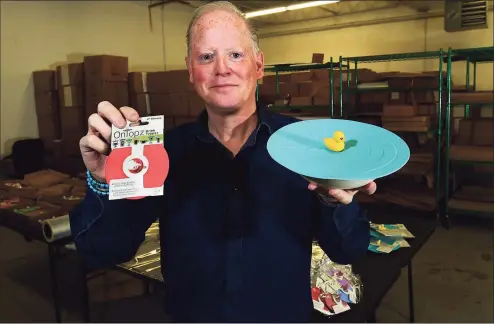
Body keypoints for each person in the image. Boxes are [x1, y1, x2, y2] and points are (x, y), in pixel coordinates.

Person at [70, 1, 376, 322]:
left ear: (258, 66)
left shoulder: (307, 145)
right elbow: (102, 252)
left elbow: (349, 250)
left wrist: (335, 202)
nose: (221, 69)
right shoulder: (161, 152)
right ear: (190, 69)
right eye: (206, 57)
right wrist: (106, 184)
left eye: (235, 54)